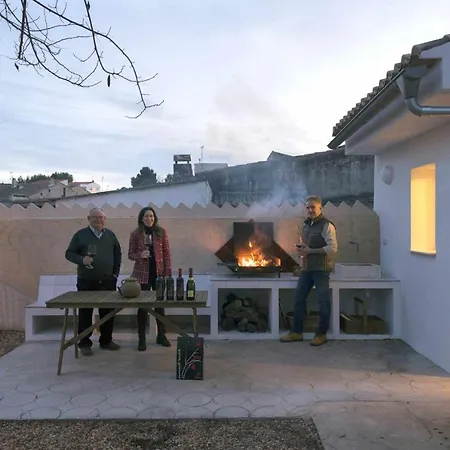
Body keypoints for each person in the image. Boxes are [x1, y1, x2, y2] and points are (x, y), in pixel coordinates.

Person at [280, 195, 338, 346]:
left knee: (323, 302)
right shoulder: (306, 224)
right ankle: (296, 332)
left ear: (320, 207)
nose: (310, 210)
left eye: (313, 207)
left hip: (321, 269)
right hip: (306, 269)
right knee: (298, 299)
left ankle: (321, 334)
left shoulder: (327, 225)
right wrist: (302, 251)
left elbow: (332, 248)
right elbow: (307, 247)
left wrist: (310, 251)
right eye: (308, 208)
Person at [65, 207, 122, 356]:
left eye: (101, 217)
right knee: (85, 312)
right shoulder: (81, 235)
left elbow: (118, 254)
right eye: (95, 217)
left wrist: (115, 274)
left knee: (108, 312)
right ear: (89, 219)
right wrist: (81, 259)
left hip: (108, 281)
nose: (98, 220)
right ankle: (84, 343)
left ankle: (106, 341)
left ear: (105, 219)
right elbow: (69, 253)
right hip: (86, 281)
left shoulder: (110, 235)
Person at [128, 206, 172, 351]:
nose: (149, 218)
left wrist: (167, 273)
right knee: (142, 307)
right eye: (146, 216)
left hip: (158, 274)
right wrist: (140, 255)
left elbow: (166, 254)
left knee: (160, 305)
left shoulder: (161, 232)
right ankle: (142, 338)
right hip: (142, 275)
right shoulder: (135, 234)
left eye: (151, 216)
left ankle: (161, 335)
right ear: (141, 219)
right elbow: (130, 254)